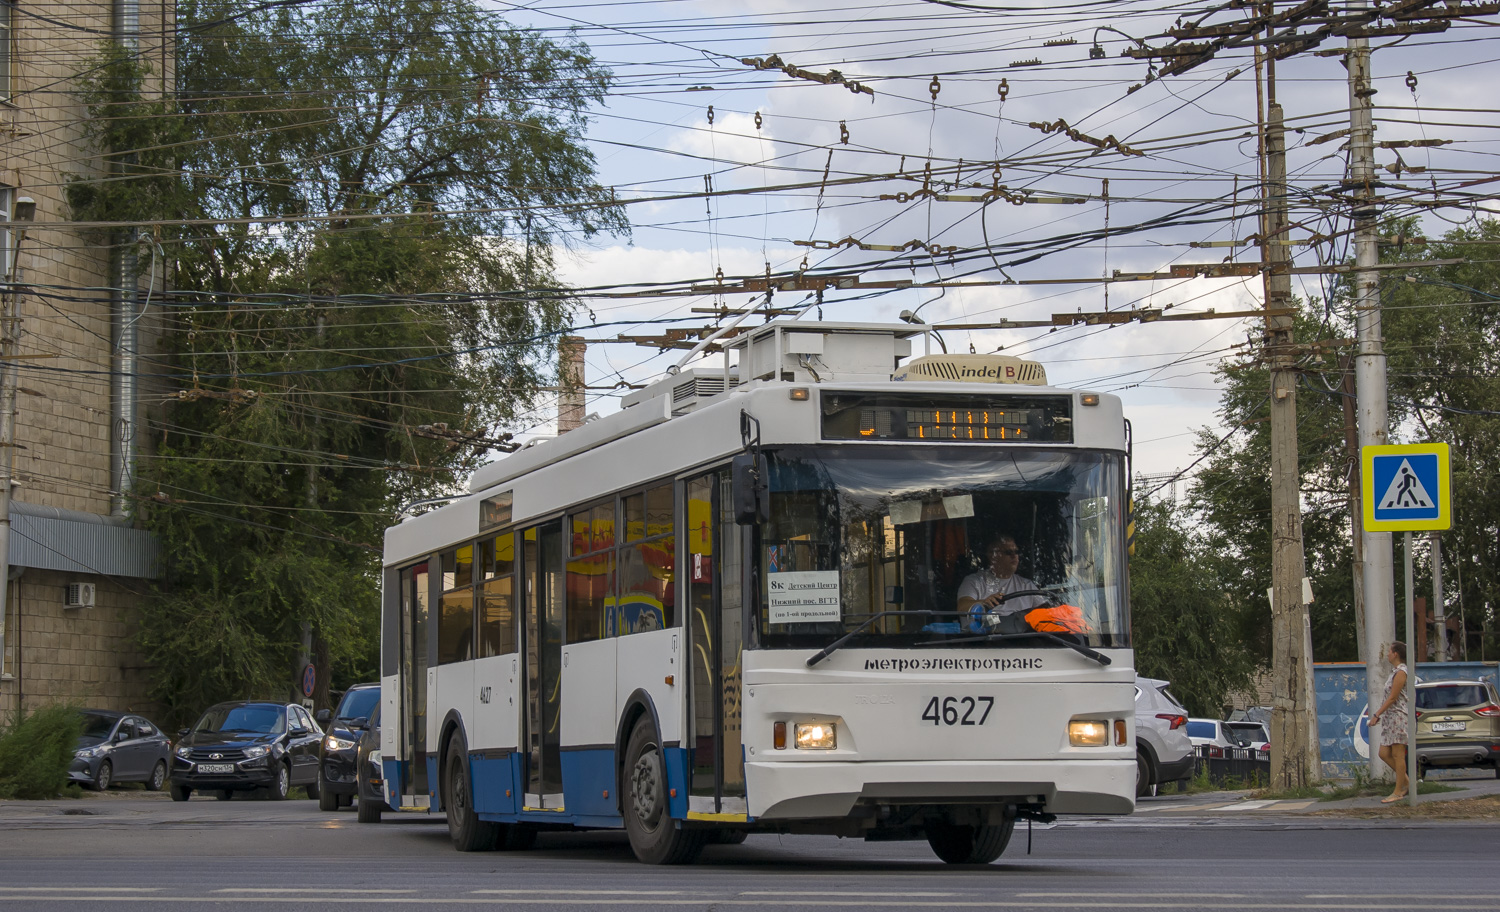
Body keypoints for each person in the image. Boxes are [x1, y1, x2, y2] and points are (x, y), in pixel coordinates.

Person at [957, 535, 1046, 627]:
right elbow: (962, 607)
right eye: (1008, 552)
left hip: (1026, 635)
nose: (1014, 556)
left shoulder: (1027, 585)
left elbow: (1046, 611)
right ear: (992, 556)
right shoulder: (974, 581)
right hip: (987, 635)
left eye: (1016, 552)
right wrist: (983, 603)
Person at [1368, 641, 1411, 804]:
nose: (1387, 654)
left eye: (1389, 652)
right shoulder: (1395, 672)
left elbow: (1393, 697)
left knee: (1398, 755)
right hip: (1390, 719)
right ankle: (1407, 782)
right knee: (1384, 753)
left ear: (1396, 654)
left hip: (1398, 717)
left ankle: (1398, 791)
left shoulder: (1401, 672)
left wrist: (1377, 714)